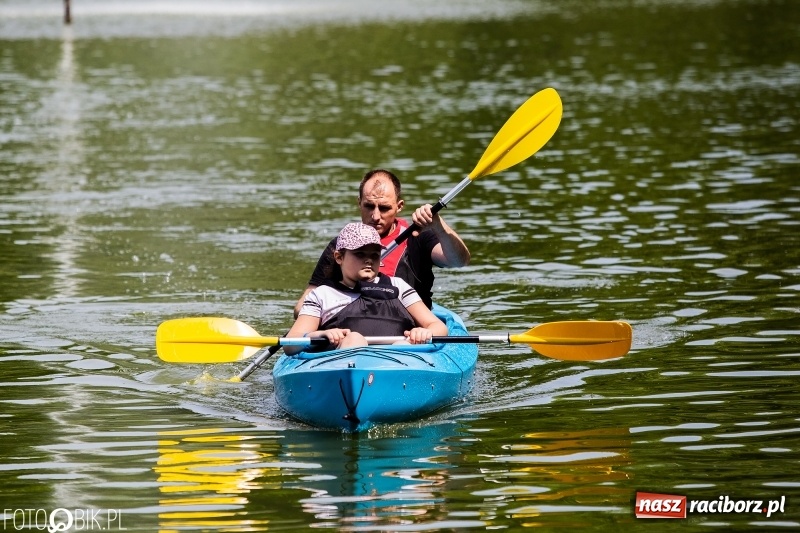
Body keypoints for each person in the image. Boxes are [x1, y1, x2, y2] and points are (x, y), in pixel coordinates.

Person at [294, 169, 470, 316]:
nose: (375, 216)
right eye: (369, 206)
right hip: (349, 329)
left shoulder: (417, 237)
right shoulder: (341, 246)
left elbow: (459, 261)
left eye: (384, 208)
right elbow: (301, 307)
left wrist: (438, 226)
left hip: (408, 332)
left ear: (399, 206)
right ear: (359, 203)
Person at [284, 222, 448, 355]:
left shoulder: (397, 286)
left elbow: (438, 326)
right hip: (344, 366)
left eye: (375, 255)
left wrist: (425, 332)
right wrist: (318, 335)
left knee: (402, 344)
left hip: (398, 364)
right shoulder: (322, 295)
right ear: (339, 257)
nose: (369, 260)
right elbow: (291, 344)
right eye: (360, 254)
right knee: (355, 339)